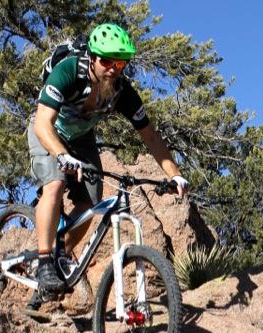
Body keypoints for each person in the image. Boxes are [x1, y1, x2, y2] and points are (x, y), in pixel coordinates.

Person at [28, 22, 188, 297]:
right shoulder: (68, 72)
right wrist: (62, 155)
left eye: (121, 63)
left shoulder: (121, 91)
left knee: (90, 204)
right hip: (48, 132)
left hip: (82, 139)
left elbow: (150, 136)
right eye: (107, 61)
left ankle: (61, 252)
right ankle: (44, 263)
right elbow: (43, 122)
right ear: (92, 57)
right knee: (54, 184)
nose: (114, 68)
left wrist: (173, 173)